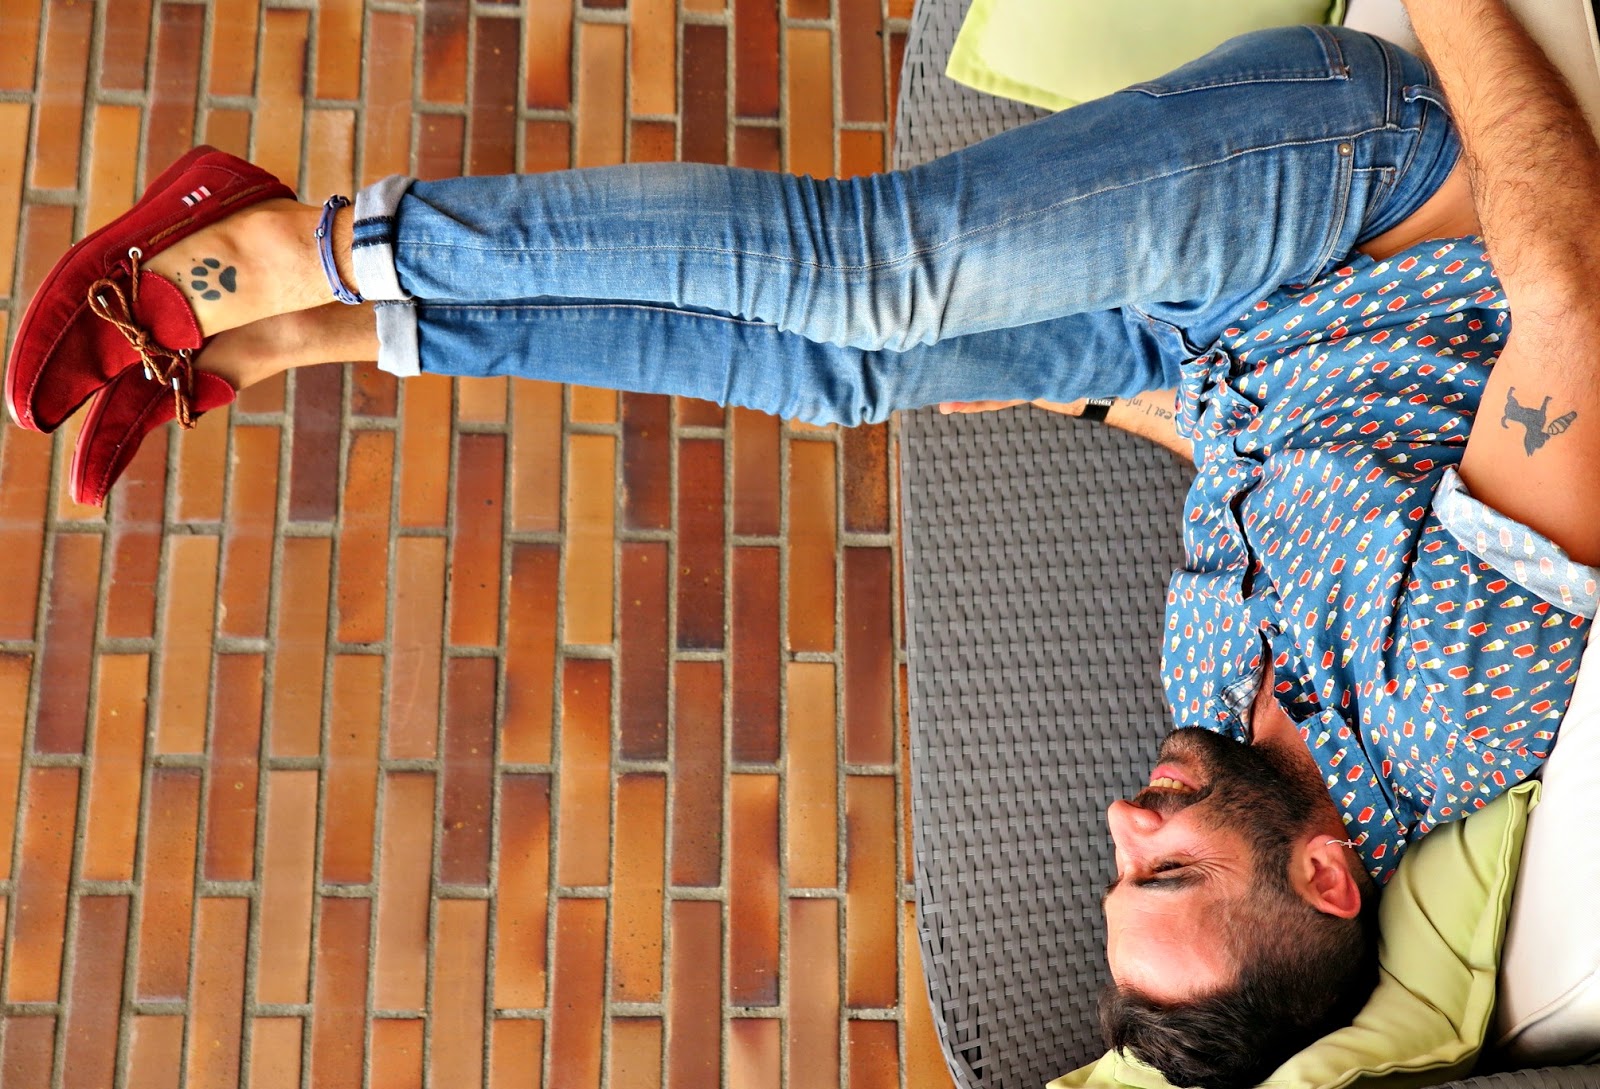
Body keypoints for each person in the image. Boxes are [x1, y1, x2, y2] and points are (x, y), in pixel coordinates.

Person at [5, 1, 1597, 1085]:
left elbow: (1282, 466)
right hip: (1370, 193)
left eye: (1124, 867)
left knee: (840, 376)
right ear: (1323, 872)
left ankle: (321, 336)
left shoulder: (1218, 728)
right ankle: (293, 246)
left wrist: (1070, 394)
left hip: (1200, 344)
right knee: (872, 280)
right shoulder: (1458, 699)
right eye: (1167, 860)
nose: (1125, 816)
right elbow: (1572, 278)